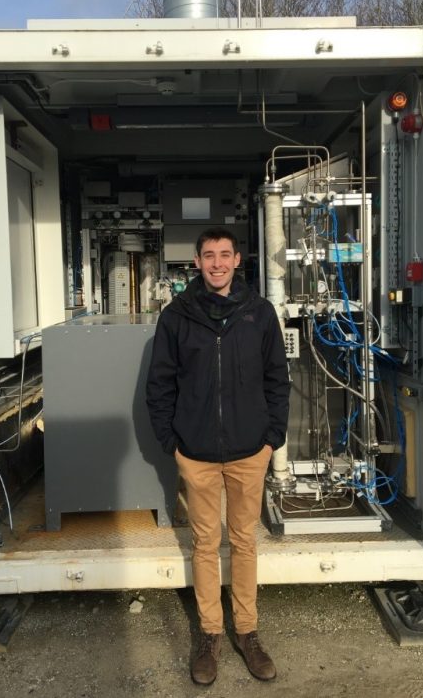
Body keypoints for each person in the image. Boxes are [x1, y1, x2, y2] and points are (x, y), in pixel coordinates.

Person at [146, 227, 290, 685]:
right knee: (206, 544)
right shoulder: (177, 316)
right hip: (199, 453)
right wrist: (173, 442)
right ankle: (210, 634)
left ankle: (246, 632)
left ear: (237, 260)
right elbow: (159, 385)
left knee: (244, 541)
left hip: (251, 451)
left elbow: (277, 378)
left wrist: (272, 437)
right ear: (197, 263)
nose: (217, 264)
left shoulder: (259, 314)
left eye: (224, 255)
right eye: (209, 256)